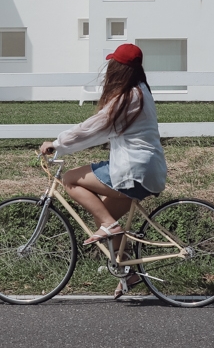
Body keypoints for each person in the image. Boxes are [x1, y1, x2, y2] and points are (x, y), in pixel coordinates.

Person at [39, 42, 167, 299]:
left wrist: (57, 144)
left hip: (134, 170)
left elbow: (93, 127)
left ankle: (109, 226)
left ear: (118, 68)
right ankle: (127, 272)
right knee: (103, 214)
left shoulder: (127, 98)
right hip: (146, 169)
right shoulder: (141, 91)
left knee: (70, 179)